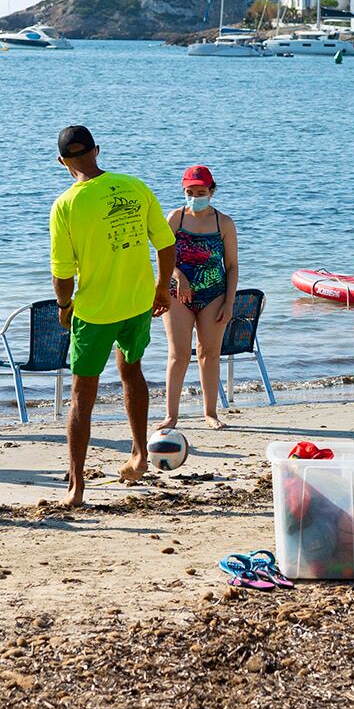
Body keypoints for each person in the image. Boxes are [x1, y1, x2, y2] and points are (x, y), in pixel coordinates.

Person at [48, 125, 176, 507]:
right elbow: (166, 243)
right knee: (132, 372)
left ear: (61, 162)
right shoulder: (135, 186)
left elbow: (62, 273)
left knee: (81, 396)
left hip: (95, 311)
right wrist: (161, 287)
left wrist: (64, 306)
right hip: (137, 304)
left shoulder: (66, 205)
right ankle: (138, 454)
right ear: (97, 150)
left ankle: (76, 487)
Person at [161, 165, 238, 430]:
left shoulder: (223, 222)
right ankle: (171, 415)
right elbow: (163, 257)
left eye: (201, 192)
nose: (195, 197)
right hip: (177, 295)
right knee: (178, 355)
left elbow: (232, 266)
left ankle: (210, 413)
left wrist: (229, 302)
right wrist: (179, 276)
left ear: (211, 191)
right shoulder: (176, 218)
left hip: (214, 294)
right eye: (190, 192)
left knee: (209, 354)